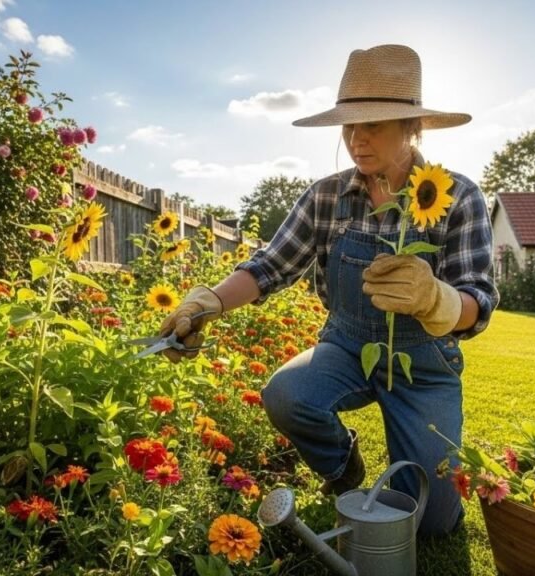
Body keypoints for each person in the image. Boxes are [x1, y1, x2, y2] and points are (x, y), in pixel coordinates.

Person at [159, 44, 498, 536]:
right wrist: (206, 303)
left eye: (373, 125)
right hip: (346, 346)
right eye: (349, 126)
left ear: (412, 127)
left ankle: (432, 501)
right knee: (286, 394)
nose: (357, 140)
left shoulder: (458, 197)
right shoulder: (326, 196)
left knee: (431, 525)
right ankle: (345, 470)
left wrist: (436, 299)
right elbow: (269, 267)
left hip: (424, 365)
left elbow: (478, 303)